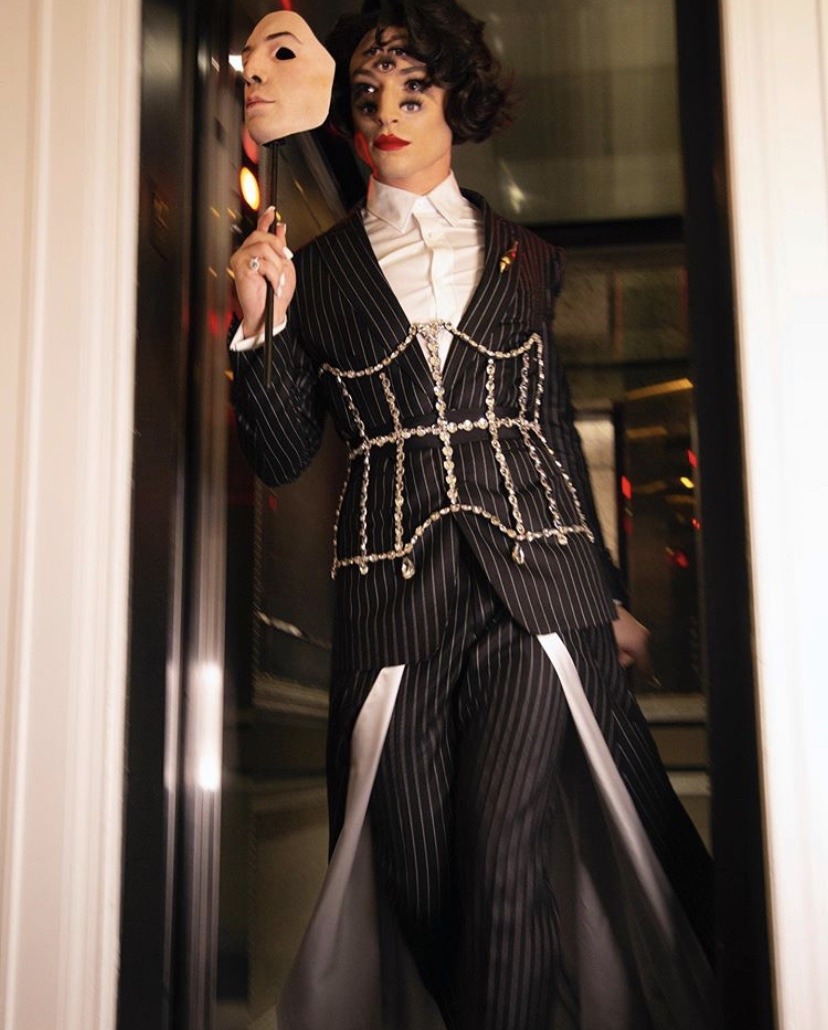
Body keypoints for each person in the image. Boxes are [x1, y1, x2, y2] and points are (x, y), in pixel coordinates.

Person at [230, 2, 716, 1027]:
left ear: (458, 99)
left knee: (502, 859)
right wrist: (261, 323)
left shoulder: (527, 257)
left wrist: (608, 595)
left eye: (414, 91)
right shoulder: (317, 273)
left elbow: (550, 432)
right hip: (392, 603)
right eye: (369, 95)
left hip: (539, 595)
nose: (388, 115)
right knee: (420, 883)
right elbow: (279, 455)